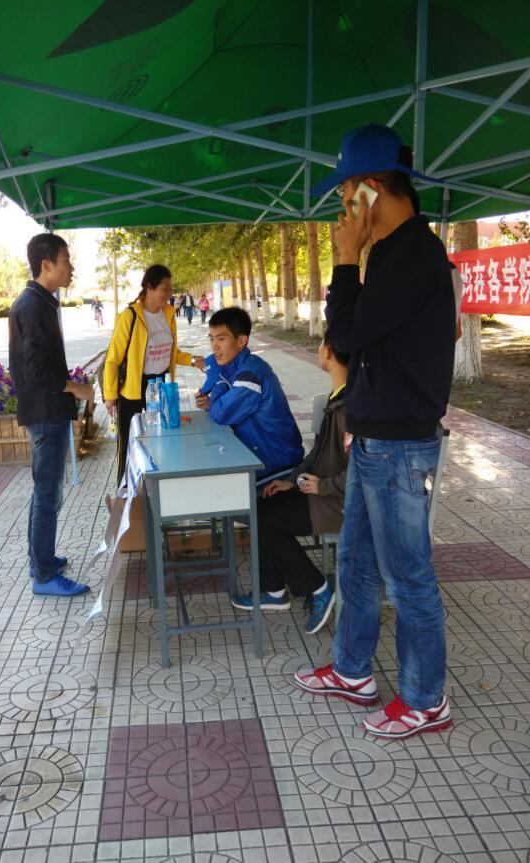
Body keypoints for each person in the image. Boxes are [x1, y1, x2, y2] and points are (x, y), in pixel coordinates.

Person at [294, 124, 456, 740]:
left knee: (408, 576)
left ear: (369, 190)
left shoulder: (414, 255)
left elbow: (346, 336)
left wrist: (343, 260)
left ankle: (426, 699)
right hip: (373, 435)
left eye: (345, 194)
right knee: (356, 562)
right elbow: (366, 347)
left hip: (398, 444)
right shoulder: (390, 252)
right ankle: (353, 670)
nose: (342, 207)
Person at [232, 330, 349, 634]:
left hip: (337, 503)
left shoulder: (352, 408)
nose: (318, 347)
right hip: (319, 491)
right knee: (262, 504)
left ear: (329, 352)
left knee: (265, 519)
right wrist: (291, 480)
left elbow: (363, 474)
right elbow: (317, 454)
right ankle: (274, 590)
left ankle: (317, 588)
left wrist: (321, 487)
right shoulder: (337, 397)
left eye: (322, 342)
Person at [9, 234, 93, 598]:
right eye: (65, 260)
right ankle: (43, 575)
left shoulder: (40, 301)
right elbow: (36, 372)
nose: (70, 268)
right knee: (47, 494)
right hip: (45, 413)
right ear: (46, 264)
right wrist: (76, 388)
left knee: (44, 492)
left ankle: (40, 561)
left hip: (45, 410)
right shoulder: (33, 306)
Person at [103, 264, 205, 486]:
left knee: (162, 437)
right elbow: (113, 359)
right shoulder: (129, 316)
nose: (169, 294)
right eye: (164, 289)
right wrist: (110, 395)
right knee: (129, 442)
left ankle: (156, 485)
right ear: (149, 287)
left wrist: (192, 360)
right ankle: (125, 490)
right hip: (132, 389)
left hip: (161, 385)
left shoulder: (168, 314)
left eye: (170, 289)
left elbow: (169, 351)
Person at [195, 306, 303, 480]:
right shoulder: (233, 367)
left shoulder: (250, 374)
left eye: (221, 339)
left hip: (277, 461)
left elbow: (221, 414)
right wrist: (211, 403)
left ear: (241, 341)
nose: (215, 347)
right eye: (211, 339)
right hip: (258, 452)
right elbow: (225, 408)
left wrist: (217, 380)